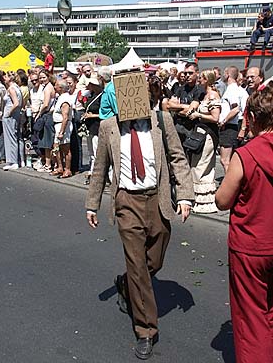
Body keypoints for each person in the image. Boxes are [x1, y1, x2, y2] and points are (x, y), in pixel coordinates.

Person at [85, 107, 194, 360]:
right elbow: (100, 167)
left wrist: (186, 195)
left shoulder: (161, 120)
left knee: (153, 261)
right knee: (137, 266)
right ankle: (145, 330)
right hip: (126, 201)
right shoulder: (108, 126)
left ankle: (126, 283)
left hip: (157, 199)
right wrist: (92, 204)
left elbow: (178, 157)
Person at [215, 85, 273, 363]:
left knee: (252, 320)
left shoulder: (247, 154)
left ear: (253, 117)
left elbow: (223, 200)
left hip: (252, 247)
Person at [187, 69, 221, 213]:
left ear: (207, 80)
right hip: (200, 133)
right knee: (197, 164)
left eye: (201, 78)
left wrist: (198, 115)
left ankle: (205, 203)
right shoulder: (205, 94)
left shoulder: (213, 95)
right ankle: (198, 200)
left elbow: (215, 118)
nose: (199, 80)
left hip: (208, 134)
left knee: (202, 166)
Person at [218, 66, 240, 173]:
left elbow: (235, 109)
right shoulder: (230, 89)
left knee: (225, 160)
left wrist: (224, 121)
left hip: (229, 127)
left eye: (224, 73)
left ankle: (229, 185)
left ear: (227, 74)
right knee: (227, 160)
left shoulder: (232, 90)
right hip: (228, 127)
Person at [51, 79, 73, 178]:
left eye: (56, 85)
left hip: (63, 125)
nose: (54, 87)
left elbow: (65, 117)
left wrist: (61, 132)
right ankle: (60, 167)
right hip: (57, 124)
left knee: (65, 148)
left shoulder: (65, 100)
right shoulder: (60, 97)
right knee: (57, 147)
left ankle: (67, 169)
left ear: (60, 88)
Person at [2, 71, 23, 171]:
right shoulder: (17, 88)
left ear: (10, 78)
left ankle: (13, 161)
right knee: (16, 136)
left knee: (10, 138)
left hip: (10, 116)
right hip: (15, 115)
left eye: (6, 76)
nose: (4, 78)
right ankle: (19, 159)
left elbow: (16, 103)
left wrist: (8, 113)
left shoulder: (11, 88)